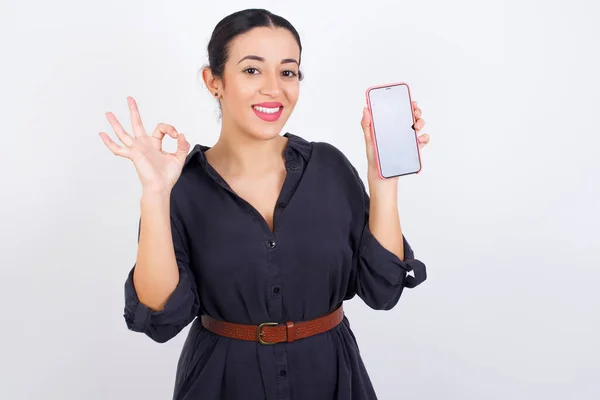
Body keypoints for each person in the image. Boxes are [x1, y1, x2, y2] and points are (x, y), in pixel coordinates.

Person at [99, 8, 429, 400]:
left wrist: (382, 181)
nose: (274, 88)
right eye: (252, 70)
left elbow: (382, 290)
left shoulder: (330, 168)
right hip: (222, 383)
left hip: (331, 378)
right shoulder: (181, 186)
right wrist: (155, 193)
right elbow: (159, 316)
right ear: (214, 81)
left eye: (288, 72)